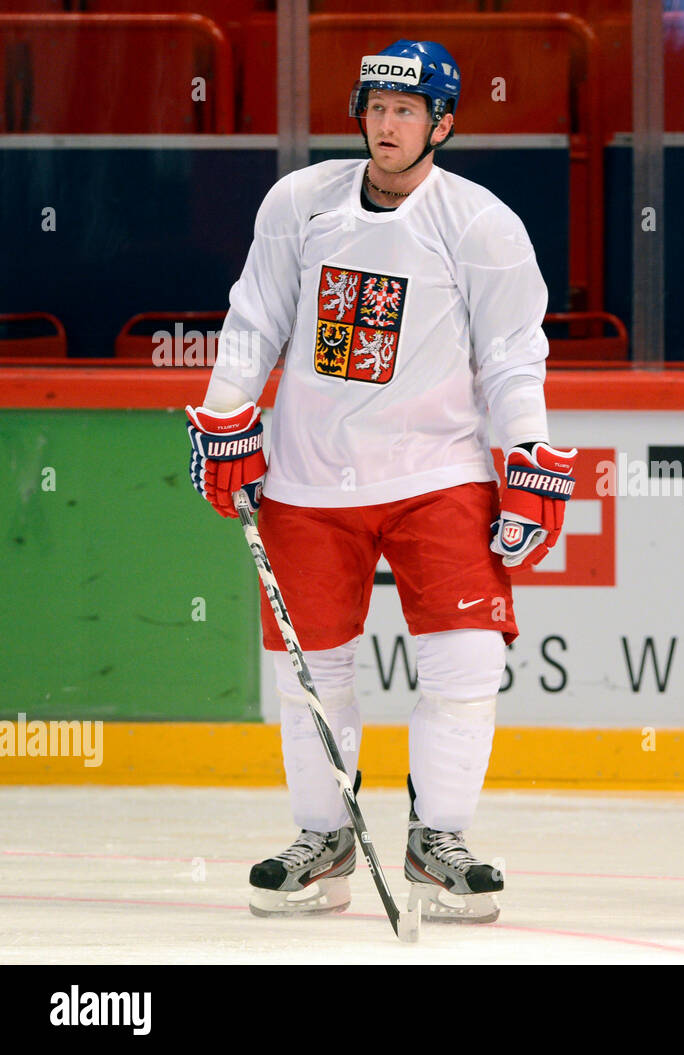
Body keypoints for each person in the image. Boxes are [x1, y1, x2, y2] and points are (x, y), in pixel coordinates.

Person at [185, 39, 577, 924]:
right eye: (375, 108)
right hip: (309, 480)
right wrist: (225, 415)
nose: (386, 124)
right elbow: (255, 318)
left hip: (439, 475)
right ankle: (322, 841)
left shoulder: (481, 224)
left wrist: (528, 454)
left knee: (467, 658)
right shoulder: (301, 202)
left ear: (442, 123)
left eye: (406, 111)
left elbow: (514, 355)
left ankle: (439, 841)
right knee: (311, 670)